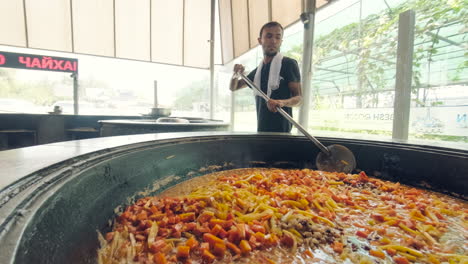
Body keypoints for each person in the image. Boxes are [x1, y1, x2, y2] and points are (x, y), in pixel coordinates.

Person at [230, 21, 302, 133]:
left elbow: (299, 99)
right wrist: (235, 74)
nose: (273, 41)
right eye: (269, 36)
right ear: (260, 40)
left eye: (278, 37)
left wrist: (282, 102)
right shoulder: (258, 71)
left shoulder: (289, 64)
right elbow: (234, 87)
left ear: (281, 42)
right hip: (261, 131)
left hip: (282, 132)